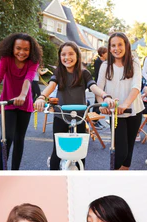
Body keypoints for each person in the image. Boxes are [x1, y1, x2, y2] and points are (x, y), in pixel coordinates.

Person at [33, 42, 113, 170]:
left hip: (80, 117)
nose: (67, 57)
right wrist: (42, 97)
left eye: (71, 54)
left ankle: (80, 176)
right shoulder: (59, 72)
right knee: (58, 151)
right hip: (61, 116)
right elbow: (51, 85)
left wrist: (105, 96)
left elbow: (93, 86)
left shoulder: (84, 73)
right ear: (60, 57)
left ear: (77, 55)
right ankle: (53, 178)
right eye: (63, 54)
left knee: (81, 153)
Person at [0, 33, 42, 170]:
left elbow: (28, 79)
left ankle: (15, 171)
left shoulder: (33, 62)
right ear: (12, 48)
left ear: (31, 51)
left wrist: (22, 95)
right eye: (18, 48)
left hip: (23, 103)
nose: (22, 52)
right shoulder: (6, 59)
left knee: (19, 139)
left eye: (26, 49)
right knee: (6, 138)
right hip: (7, 103)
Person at [97, 32, 145, 170]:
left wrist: (125, 104)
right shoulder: (105, 65)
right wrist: (102, 104)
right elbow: (99, 89)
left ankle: (123, 176)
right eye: (113, 45)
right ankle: (113, 175)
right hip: (116, 113)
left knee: (129, 150)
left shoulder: (134, 63)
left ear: (126, 46)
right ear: (109, 48)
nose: (116, 48)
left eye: (119, 45)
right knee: (120, 151)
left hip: (134, 109)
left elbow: (136, 86)